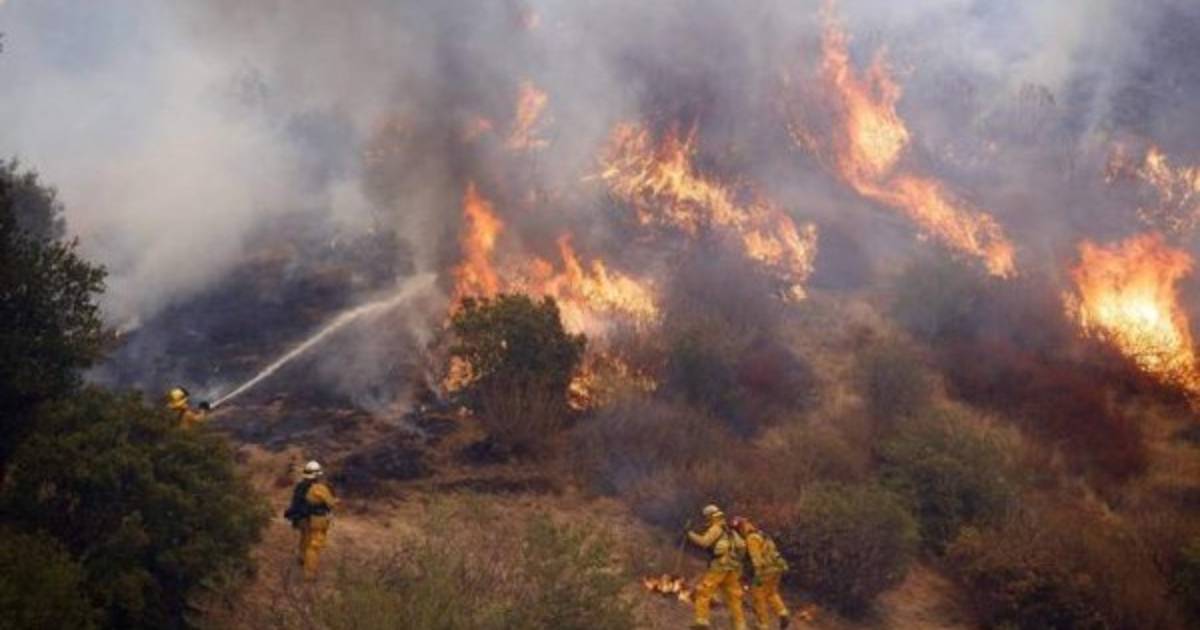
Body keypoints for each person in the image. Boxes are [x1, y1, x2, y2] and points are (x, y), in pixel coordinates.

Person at [686, 504, 748, 630]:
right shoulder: (729, 530)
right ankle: (740, 626)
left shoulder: (716, 528)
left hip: (719, 566)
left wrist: (689, 534)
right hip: (732, 568)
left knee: (704, 591)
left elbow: (704, 542)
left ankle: (702, 621)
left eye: (706, 517)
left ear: (709, 516)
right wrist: (736, 559)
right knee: (734, 597)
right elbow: (742, 546)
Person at [732, 516, 791, 630]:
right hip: (776, 568)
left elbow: (756, 559)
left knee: (758, 597)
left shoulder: (751, 538)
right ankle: (783, 613)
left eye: (737, 530)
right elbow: (773, 551)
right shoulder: (762, 534)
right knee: (772, 593)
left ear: (741, 528)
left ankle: (762, 624)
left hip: (765, 571)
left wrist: (757, 575)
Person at [285, 460, 338, 580]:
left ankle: (302, 558)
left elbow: (295, 503)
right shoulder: (319, 488)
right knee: (314, 546)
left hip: (302, 519)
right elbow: (331, 503)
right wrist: (336, 500)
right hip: (315, 519)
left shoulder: (300, 486)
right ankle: (309, 574)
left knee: (305, 538)